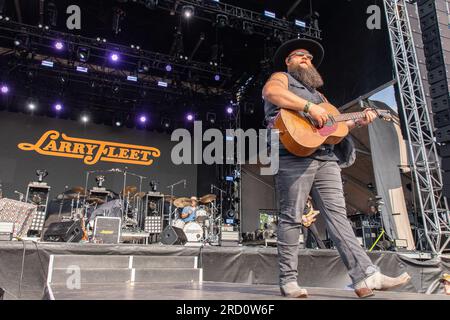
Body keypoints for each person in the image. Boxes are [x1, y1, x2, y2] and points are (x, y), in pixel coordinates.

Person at [262, 38, 411, 298]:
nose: (306, 59)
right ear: (289, 61)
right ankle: (289, 281)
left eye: (309, 57)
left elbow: (331, 129)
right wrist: (308, 107)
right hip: (292, 154)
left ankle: (366, 276)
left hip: (325, 157)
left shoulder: (321, 96)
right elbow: (270, 94)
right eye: (300, 56)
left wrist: (357, 122)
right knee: (291, 216)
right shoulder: (282, 79)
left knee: (338, 217)